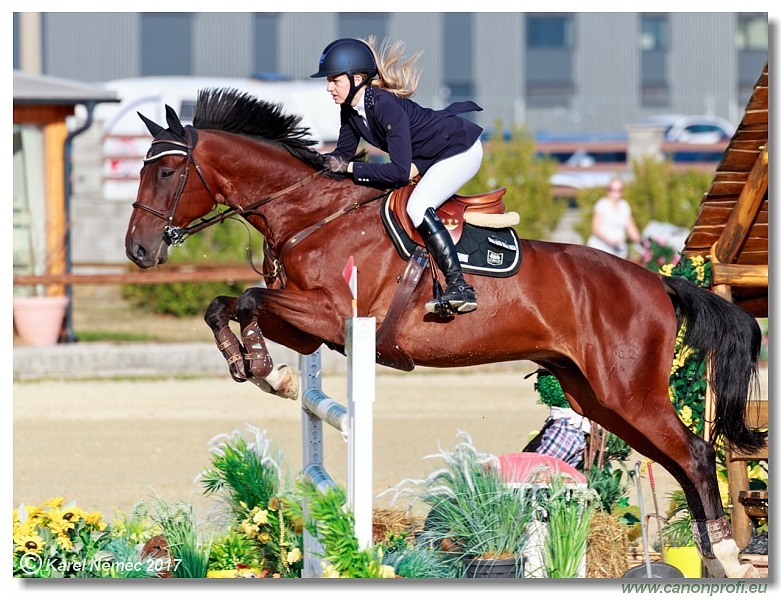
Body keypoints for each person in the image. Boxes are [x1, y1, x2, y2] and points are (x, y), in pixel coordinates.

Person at [311, 37, 484, 315]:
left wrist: (351, 168)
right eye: (328, 81)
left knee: (417, 206)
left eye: (334, 80)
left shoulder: (384, 105)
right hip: (430, 155)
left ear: (357, 78)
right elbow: (341, 157)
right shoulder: (351, 112)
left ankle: (460, 286)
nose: (329, 88)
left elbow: (399, 172)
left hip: (459, 150)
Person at [586, 177, 641, 259]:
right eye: (613, 189)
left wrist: (642, 243)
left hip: (619, 252)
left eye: (619, 190)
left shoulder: (624, 206)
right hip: (600, 250)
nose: (616, 193)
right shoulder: (602, 205)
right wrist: (610, 241)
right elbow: (595, 228)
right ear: (608, 190)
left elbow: (631, 228)